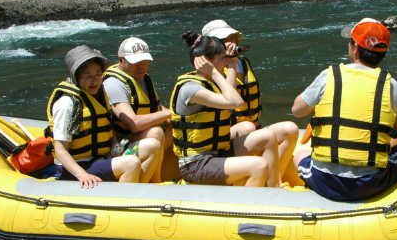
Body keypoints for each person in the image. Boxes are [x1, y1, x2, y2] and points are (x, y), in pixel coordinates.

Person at [291, 18, 397, 201]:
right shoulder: (394, 87)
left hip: (325, 181)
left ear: (354, 47)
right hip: (371, 182)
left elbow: (297, 110)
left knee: (300, 153)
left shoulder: (328, 76)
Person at [170, 31, 298, 186]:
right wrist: (214, 72)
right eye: (223, 58)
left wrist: (231, 65)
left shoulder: (210, 81)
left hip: (218, 151)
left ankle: (274, 188)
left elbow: (229, 92)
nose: (226, 62)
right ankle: (251, 207)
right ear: (207, 62)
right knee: (259, 166)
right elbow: (236, 102)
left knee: (268, 137)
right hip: (196, 164)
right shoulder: (191, 89)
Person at [46, 45, 141, 188]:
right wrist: (81, 175)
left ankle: (146, 190)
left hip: (99, 159)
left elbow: (108, 129)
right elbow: (60, 149)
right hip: (77, 167)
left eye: (98, 74)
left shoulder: (100, 95)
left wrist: (117, 151)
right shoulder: (67, 103)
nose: (94, 80)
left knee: (150, 146)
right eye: (88, 76)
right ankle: (121, 203)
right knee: (131, 163)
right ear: (76, 76)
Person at [103, 36, 174, 183]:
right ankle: (154, 183)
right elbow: (134, 124)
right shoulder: (114, 84)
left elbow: (157, 108)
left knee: (173, 127)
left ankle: (157, 179)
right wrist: (168, 113)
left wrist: (175, 116)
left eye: (145, 62)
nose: (142, 66)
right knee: (156, 132)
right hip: (117, 148)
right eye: (136, 62)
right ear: (121, 60)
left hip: (134, 140)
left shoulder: (143, 79)